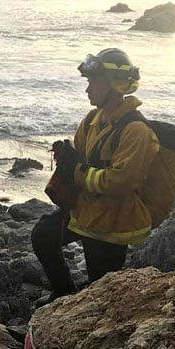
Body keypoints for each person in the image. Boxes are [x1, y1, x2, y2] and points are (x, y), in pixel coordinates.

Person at [31, 48, 159, 307]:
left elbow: (122, 181)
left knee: (102, 291)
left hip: (113, 221)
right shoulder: (92, 119)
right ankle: (64, 293)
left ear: (113, 85)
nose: (87, 89)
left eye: (93, 83)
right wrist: (67, 159)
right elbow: (80, 155)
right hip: (87, 210)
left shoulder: (136, 130)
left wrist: (77, 172)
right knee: (43, 235)